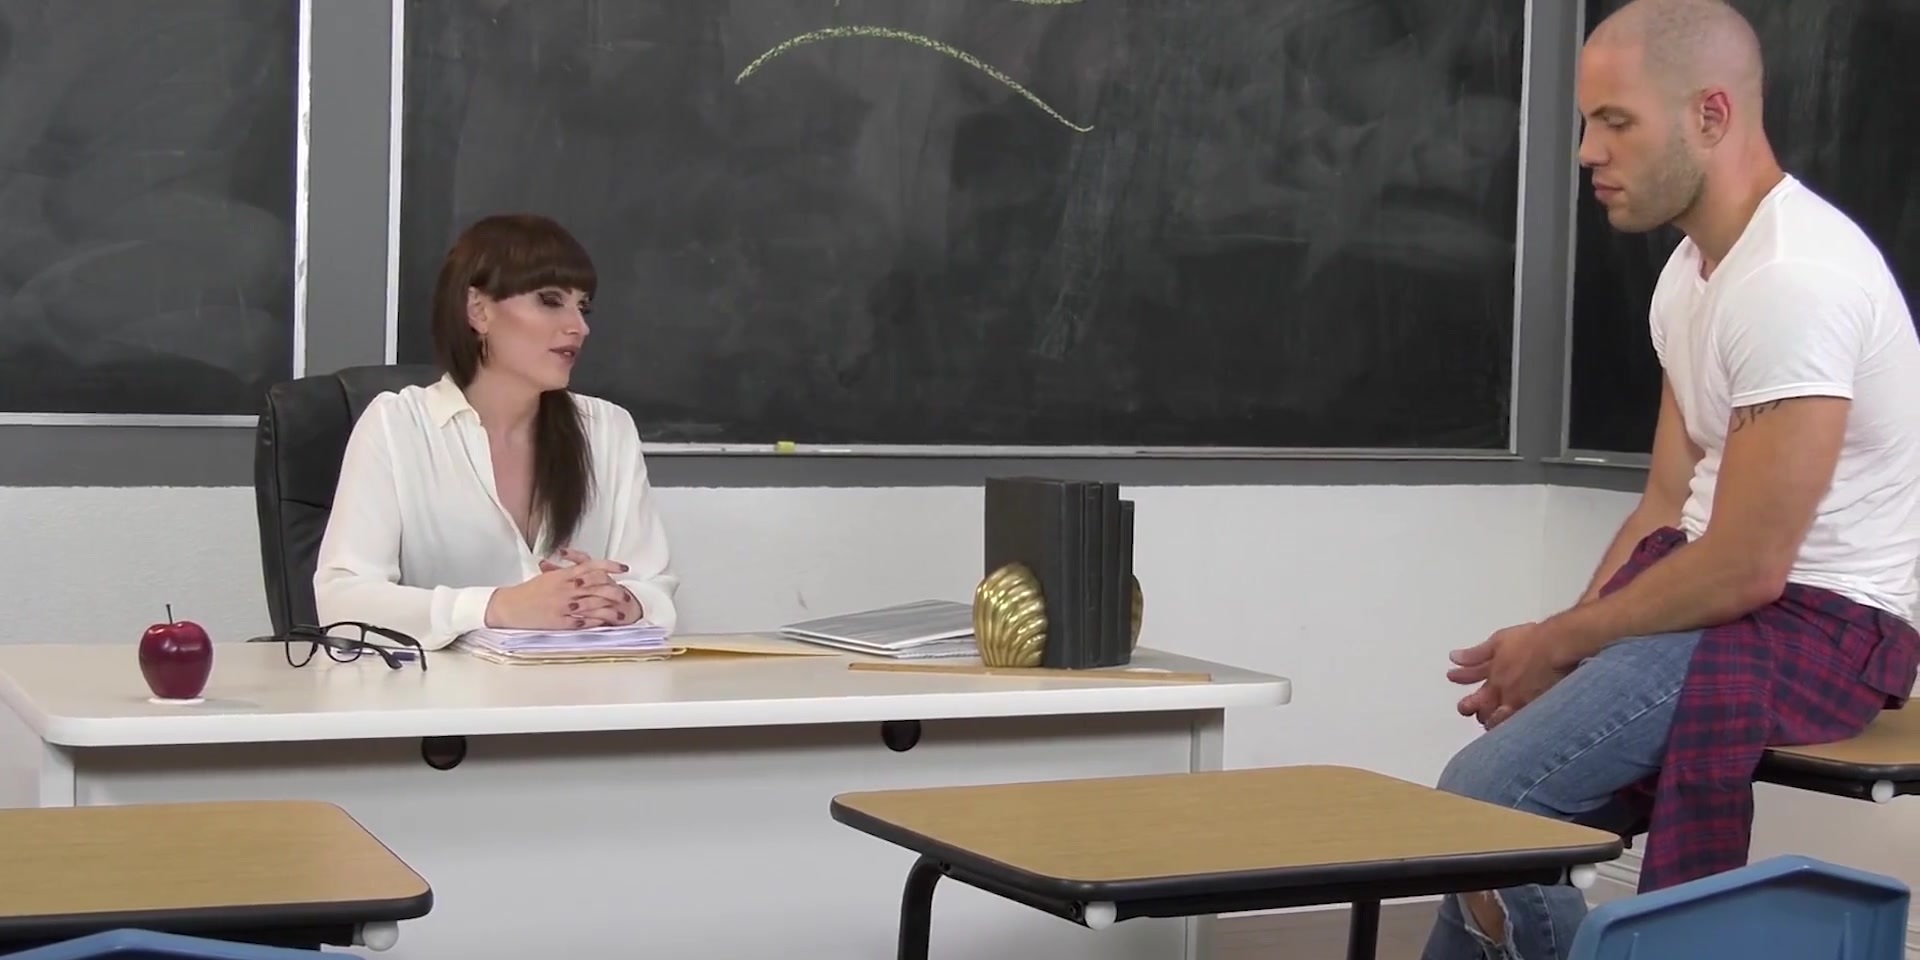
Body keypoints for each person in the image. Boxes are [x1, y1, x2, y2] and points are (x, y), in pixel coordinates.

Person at [1421, 1, 1920, 957]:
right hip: (1723, 597)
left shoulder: (1794, 280)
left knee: (1488, 802)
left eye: (1615, 122)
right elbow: (1665, 504)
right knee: (1473, 836)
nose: (1586, 153)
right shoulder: (1690, 275)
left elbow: (1747, 567)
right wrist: (1564, 656)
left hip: (1825, 626)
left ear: (1711, 115)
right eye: (1587, 123)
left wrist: (1560, 642)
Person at [312, 213, 679, 651]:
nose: (579, 327)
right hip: (443, 693)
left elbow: (653, 585)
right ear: (479, 310)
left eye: (583, 307)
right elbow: (343, 602)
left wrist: (620, 602)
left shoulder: (607, 429)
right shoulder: (397, 425)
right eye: (550, 300)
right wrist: (497, 607)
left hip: (584, 686)